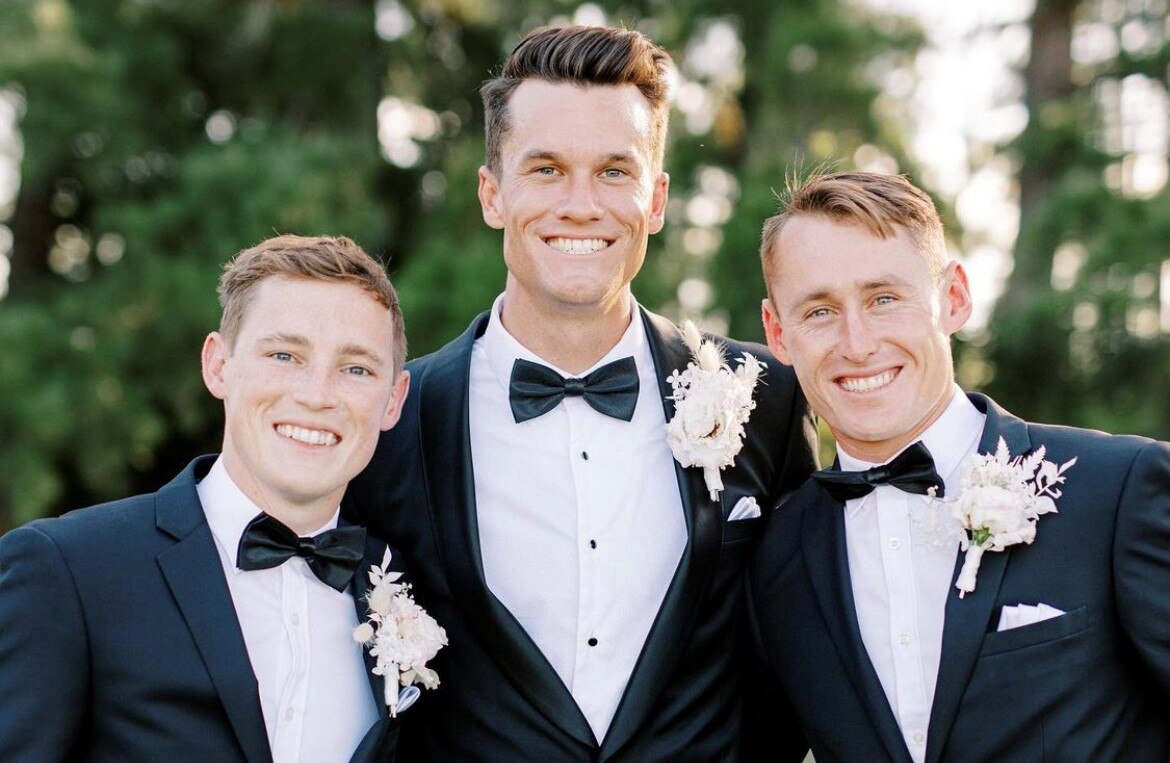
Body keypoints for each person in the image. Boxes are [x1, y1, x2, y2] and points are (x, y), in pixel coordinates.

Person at [343, 24, 818, 762]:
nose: (580, 204)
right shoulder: (393, 421)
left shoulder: (766, 401)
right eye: (546, 169)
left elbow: (805, 637)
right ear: (492, 193)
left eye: (614, 171)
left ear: (656, 199)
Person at [750, 170, 1170, 762]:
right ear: (778, 333)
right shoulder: (774, 560)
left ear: (954, 297)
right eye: (819, 311)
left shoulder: (1118, 490)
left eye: (884, 299)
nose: (857, 343)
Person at [0, 235, 415, 762]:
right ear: (218, 366)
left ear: (393, 400)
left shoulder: (401, 587)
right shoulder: (67, 569)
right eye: (284, 355)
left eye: (357, 369)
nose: (316, 395)